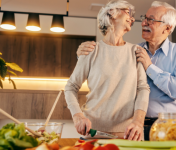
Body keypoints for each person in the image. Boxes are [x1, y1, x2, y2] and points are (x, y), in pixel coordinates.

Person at [76, 1, 176, 140]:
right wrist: (84, 54)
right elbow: (108, 67)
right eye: (145, 18)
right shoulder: (132, 51)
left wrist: (150, 68)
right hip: (133, 127)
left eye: (150, 20)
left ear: (167, 28)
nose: (143, 23)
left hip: (169, 127)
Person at [64, 0, 150, 141]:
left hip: (128, 135)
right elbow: (70, 87)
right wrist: (78, 116)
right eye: (127, 12)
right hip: (93, 133)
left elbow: (143, 88)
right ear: (112, 13)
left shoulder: (136, 51)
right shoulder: (91, 50)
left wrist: (138, 122)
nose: (132, 18)